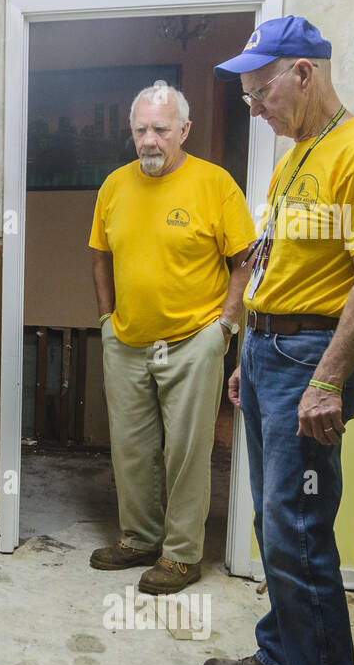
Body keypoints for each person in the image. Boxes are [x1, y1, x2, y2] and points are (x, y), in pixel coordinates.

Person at [205, 16, 354, 665]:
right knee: (272, 519)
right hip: (270, 350)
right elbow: (279, 257)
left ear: (304, 72)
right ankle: (283, 657)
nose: (254, 106)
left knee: (297, 531)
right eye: (248, 94)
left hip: (309, 359)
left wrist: (324, 378)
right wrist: (249, 350)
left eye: (262, 91)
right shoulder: (298, 157)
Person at [88, 81, 253, 595]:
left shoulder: (215, 183)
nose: (149, 140)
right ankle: (138, 539)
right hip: (128, 340)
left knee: (186, 451)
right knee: (132, 448)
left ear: (184, 129)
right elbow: (100, 257)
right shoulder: (114, 185)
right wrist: (106, 321)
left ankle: (182, 556)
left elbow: (245, 260)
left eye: (161, 128)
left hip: (193, 340)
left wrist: (224, 326)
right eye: (140, 129)